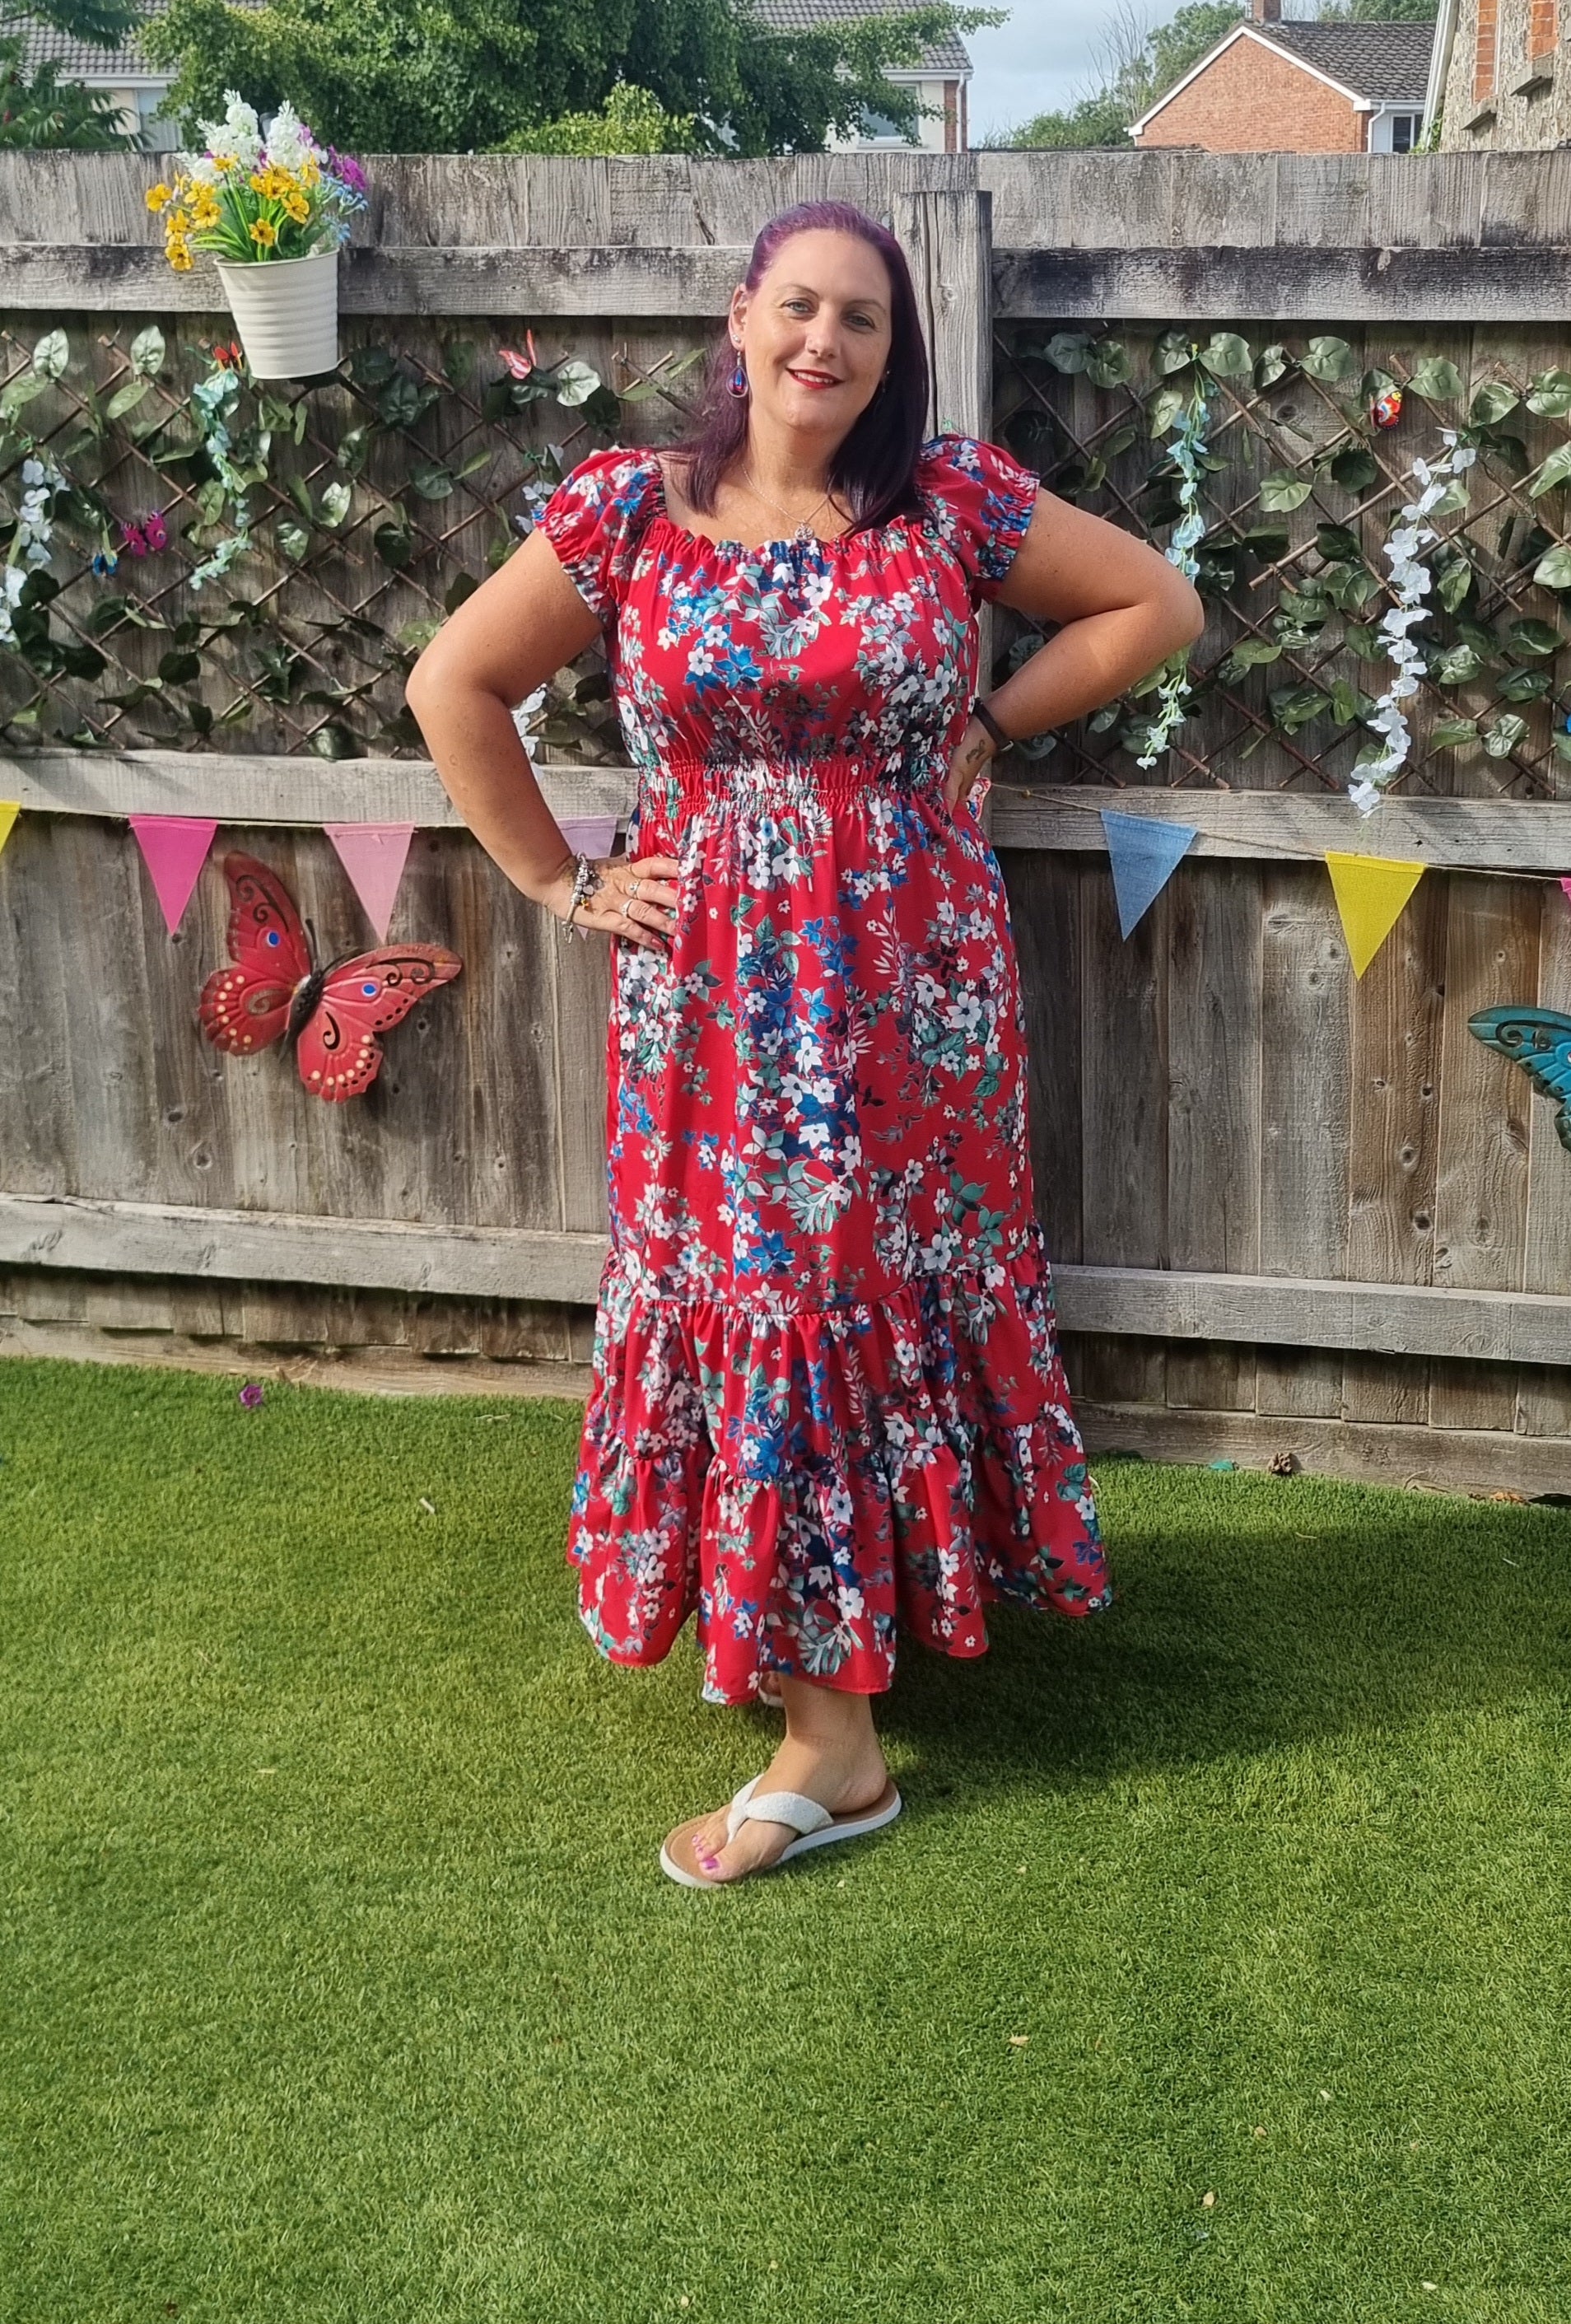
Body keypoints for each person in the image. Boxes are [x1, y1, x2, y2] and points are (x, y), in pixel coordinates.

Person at [407, 199, 1204, 1891]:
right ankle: (831, 1717)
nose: (824, 340)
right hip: (711, 987)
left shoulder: (946, 504)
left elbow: (1153, 604)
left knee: (872, 1281)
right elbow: (452, 686)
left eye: (861, 318)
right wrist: (558, 879)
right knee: (768, 1290)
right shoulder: (631, 510)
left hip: (914, 981)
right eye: (799, 305)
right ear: (740, 318)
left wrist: (989, 718)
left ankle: (837, 1729)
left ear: (892, 352)